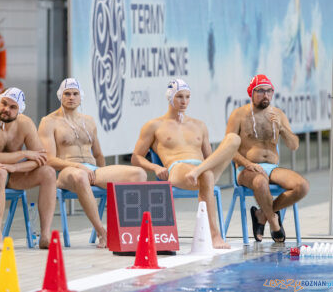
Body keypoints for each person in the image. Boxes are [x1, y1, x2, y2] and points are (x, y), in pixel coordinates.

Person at [38, 78, 147, 248]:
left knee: (139, 173)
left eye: (75, 94)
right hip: (66, 171)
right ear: (60, 96)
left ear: (81, 97)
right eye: (67, 94)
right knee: (81, 176)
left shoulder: (88, 120)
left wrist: (104, 177)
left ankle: (129, 229)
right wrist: (77, 166)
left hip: (93, 171)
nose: (71, 97)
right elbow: (49, 160)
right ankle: (101, 232)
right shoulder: (49, 122)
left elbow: (98, 154)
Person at [131, 79, 240, 249]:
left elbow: (210, 157)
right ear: (170, 98)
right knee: (206, 175)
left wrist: (201, 168)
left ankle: (199, 172)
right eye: (179, 96)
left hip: (202, 170)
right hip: (178, 168)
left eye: (187, 97)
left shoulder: (199, 125)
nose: (184, 101)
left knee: (234, 139)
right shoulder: (154, 125)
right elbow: (136, 157)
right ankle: (215, 235)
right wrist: (156, 167)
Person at [0, 88, 56, 251]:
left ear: (19, 110)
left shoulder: (26, 124)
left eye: (12, 107)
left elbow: (41, 159)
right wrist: (23, 153)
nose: (6, 109)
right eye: (4, 104)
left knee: (48, 172)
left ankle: (45, 235)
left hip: (9, 173)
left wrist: (15, 166)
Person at [225, 74, 309, 242]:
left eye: (269, 91)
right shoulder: (239, 115)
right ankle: (274, 223)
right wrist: (248, 164)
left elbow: (294, 146)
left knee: (302, 186)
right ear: (251, 93)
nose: (266, 95)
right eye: (261, 91)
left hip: (272, 168)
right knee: (260, 181)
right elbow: (228, 149)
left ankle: (261, 215)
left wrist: (282, 129)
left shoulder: (278, 114)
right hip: (246, 169)